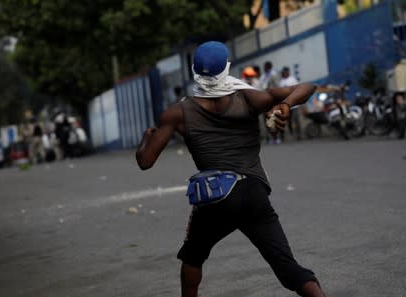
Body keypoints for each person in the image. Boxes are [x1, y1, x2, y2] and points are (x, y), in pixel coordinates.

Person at [136, 41, 324, 297]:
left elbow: (145, 161)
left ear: (194, 71)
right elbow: (307, 87)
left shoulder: (177, 112)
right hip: (253, 193)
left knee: (192, 259)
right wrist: (285, 105)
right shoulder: (248, 98)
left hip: (216, 198)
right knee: (288, 268)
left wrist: (146, 139)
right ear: (227, 68)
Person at [280, 66, 302, 140]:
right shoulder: (281, 81)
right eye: (283, 72)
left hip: (294, 104)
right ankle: (292, 134)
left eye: (285, 71)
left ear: (288, 72)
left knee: (296, 120)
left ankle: (299, 135)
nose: (284, 73)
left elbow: (297, 89)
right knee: (289, 121)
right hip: (286, 105)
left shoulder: (292, 80)